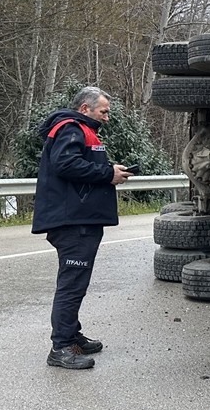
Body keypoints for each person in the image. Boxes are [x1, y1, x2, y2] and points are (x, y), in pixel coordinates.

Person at [32, 87, 134, 369]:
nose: (107, 117)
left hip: (80, 218)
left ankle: (71, 334)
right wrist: (107, 173)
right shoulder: (70, 128)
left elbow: (79, 166)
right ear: (85, 109)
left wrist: (111, 168)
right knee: (72, 284)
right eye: (104, 111)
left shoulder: (80, 131)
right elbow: (65, 164)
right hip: (72, 221)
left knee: (77, 281)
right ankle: (61, 348)